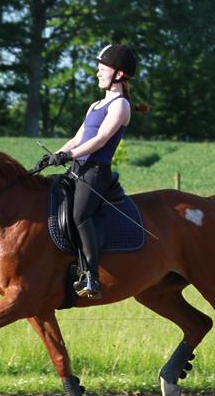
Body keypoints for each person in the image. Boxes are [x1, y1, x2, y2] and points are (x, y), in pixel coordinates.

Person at [42, 44, 146, 299]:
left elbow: (99, 140)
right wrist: (55, 155)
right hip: (78, 167)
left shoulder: (121, 106)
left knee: (79, 215)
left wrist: (68, 156)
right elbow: (78, 138)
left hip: (95, 172)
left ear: (119, 74)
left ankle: (91, 276)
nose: (98, 74)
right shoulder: (95, 105)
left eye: (102, 69)